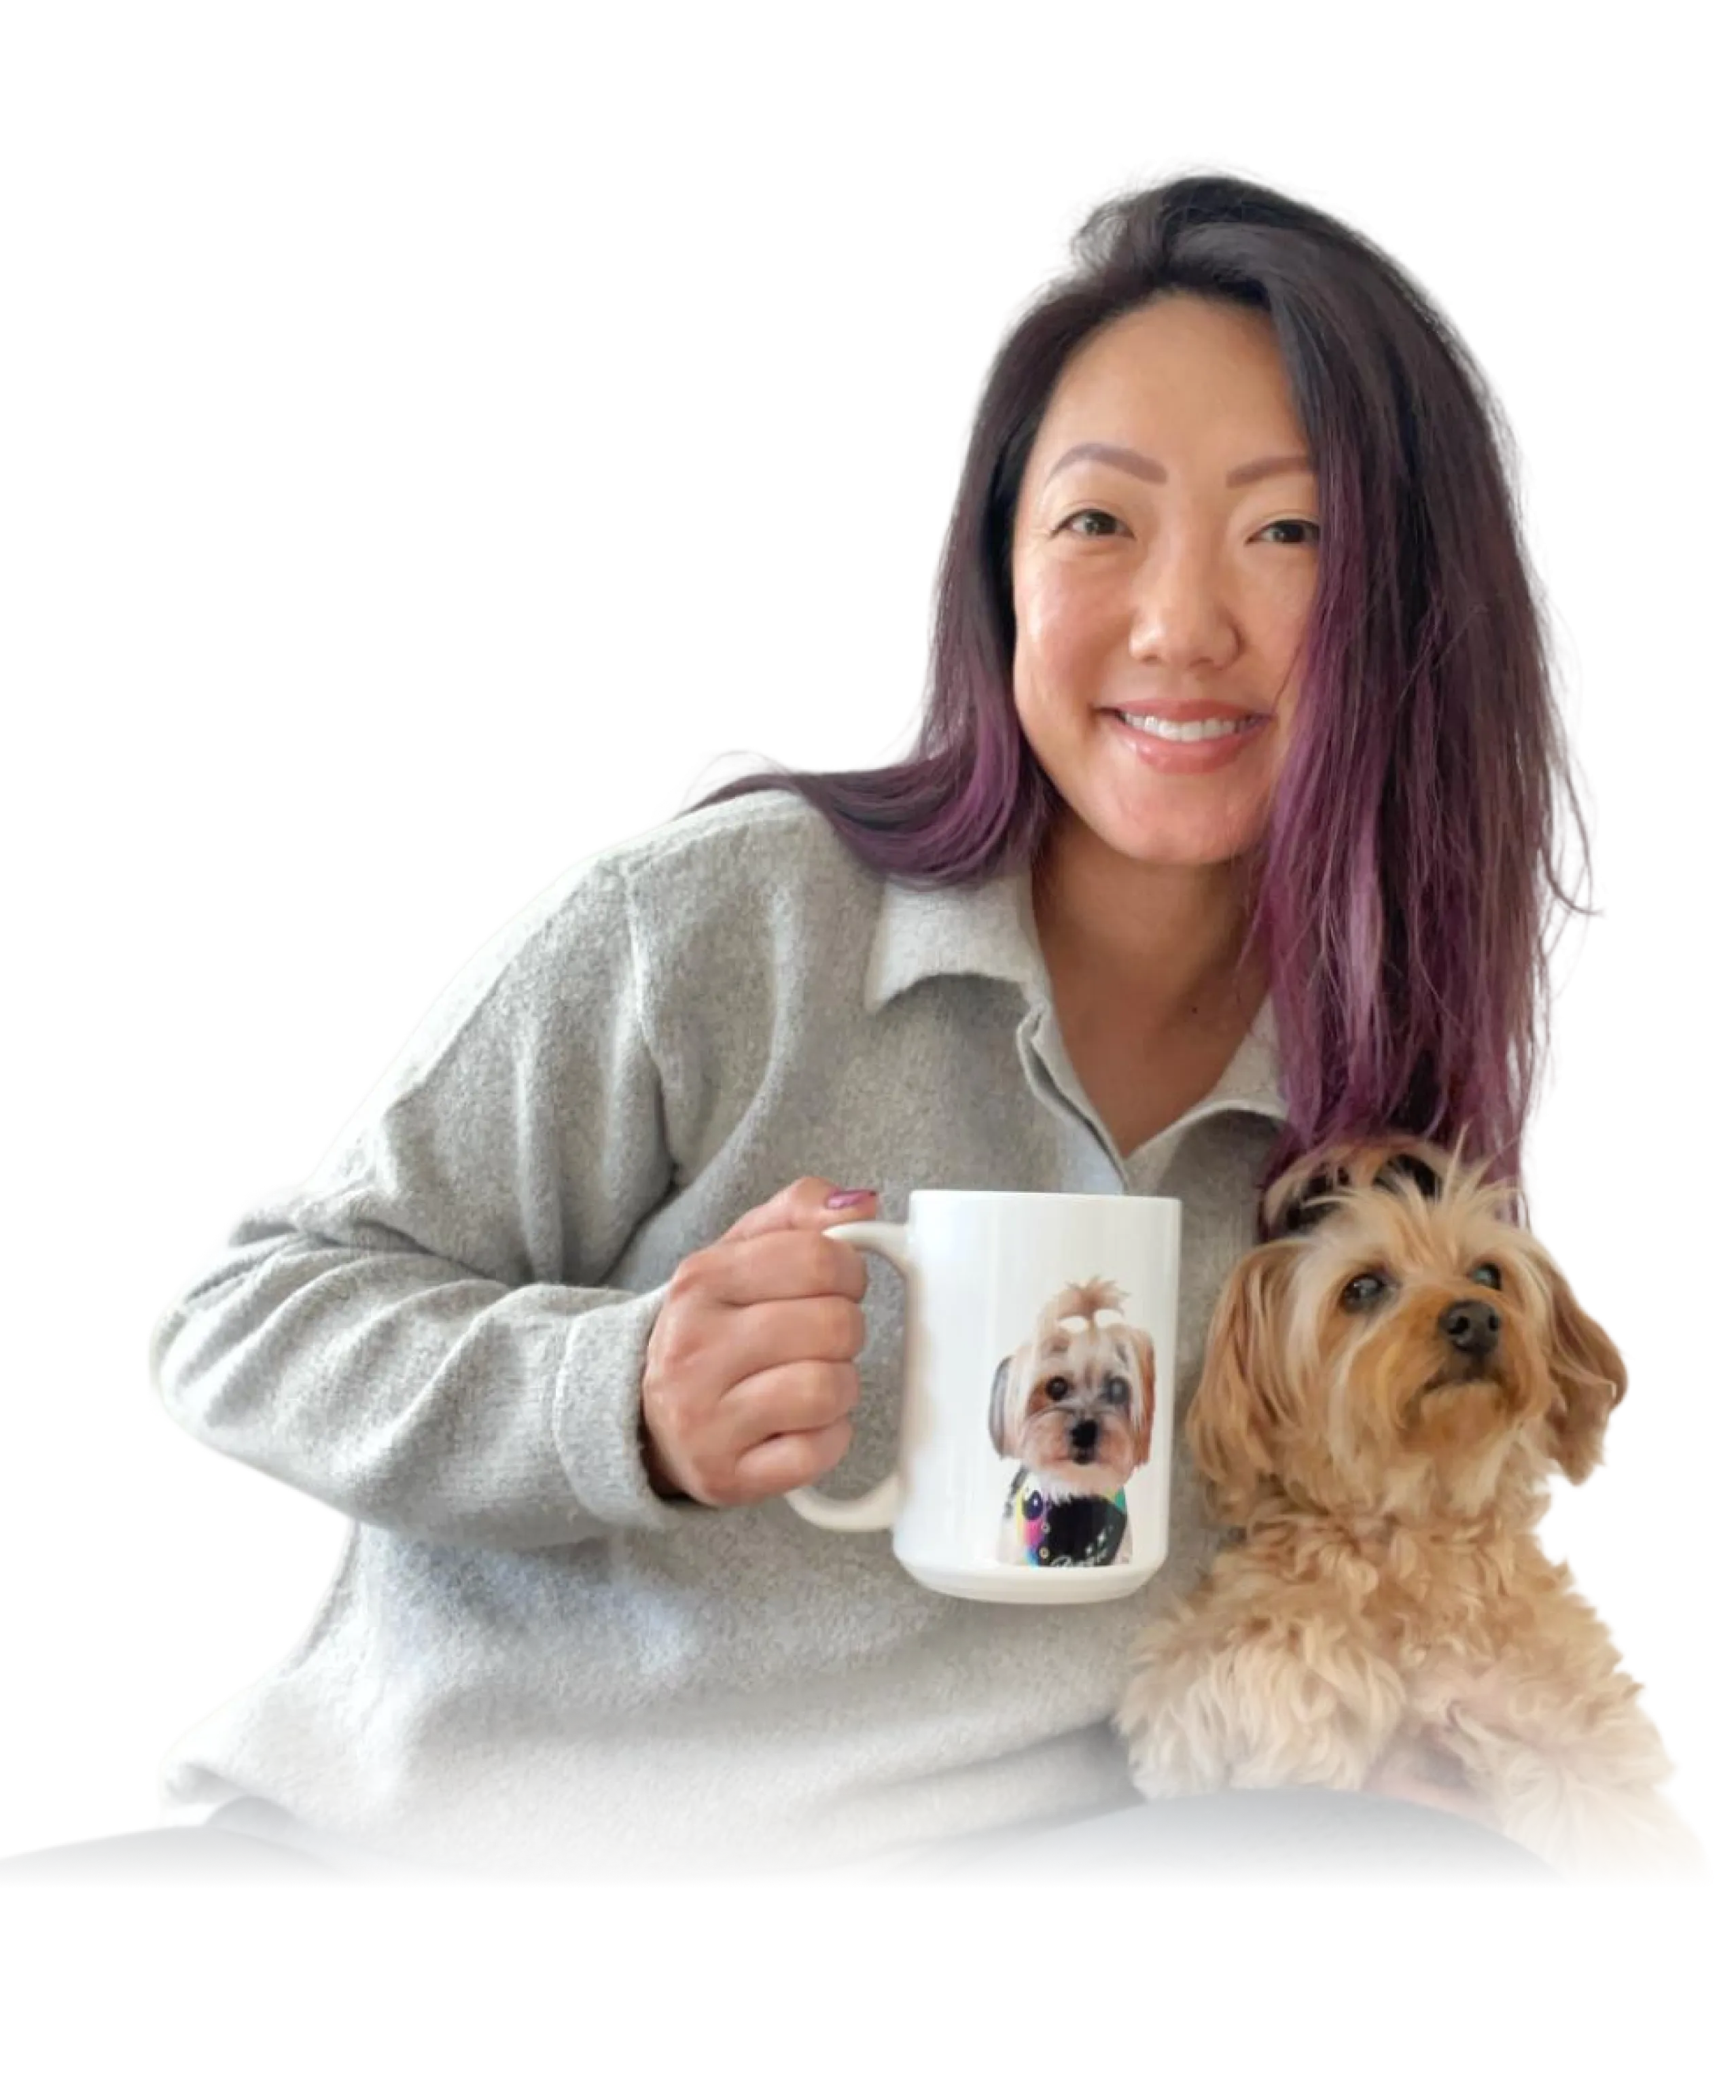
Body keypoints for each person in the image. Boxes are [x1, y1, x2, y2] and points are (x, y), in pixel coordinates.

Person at [1, 160, 1599, 1889]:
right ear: (997, 572)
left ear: (1409, 604)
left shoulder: (1377, 1130)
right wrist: (619, 1398)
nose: (1181, 623)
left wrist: (1426, 1779)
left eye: (1289, 532)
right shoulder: (735, 919)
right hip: (406, 1857)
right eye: (1098, 521)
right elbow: (234, 1322)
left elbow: (1403, 1549)